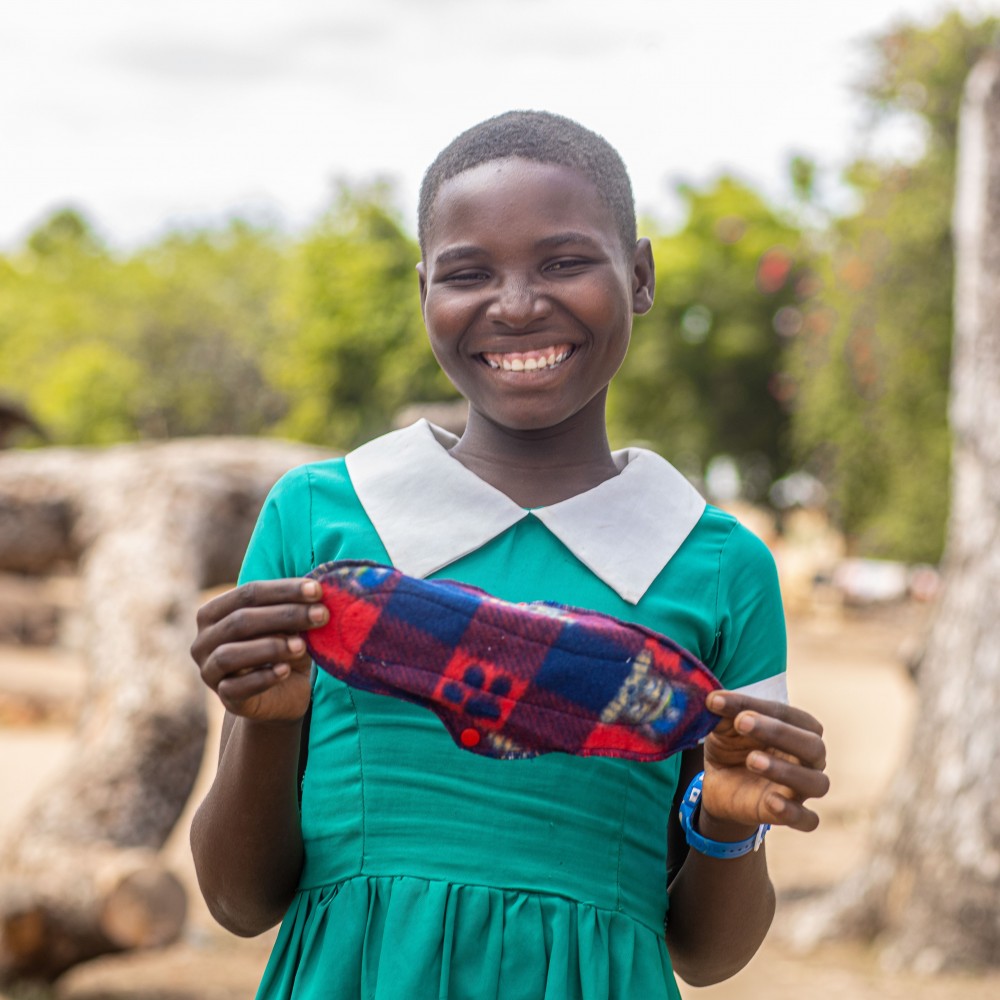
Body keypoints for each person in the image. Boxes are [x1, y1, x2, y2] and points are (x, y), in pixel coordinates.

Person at [190, 110, 829, 1000]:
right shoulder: (320, 521)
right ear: (424, 294)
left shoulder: (716, 566)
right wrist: (267, 718)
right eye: (467, 273)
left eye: (565, 262)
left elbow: (707, 954)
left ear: (639, 276)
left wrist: (726, 818)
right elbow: (237, 898)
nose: (519, 303)